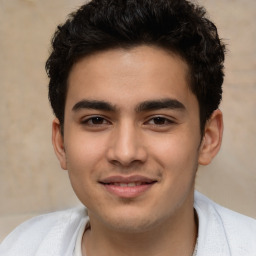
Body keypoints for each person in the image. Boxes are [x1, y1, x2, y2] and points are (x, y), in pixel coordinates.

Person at [0, 0, 255, 255]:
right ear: (61, 143)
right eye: (96, 120)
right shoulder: (20, 247)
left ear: (208, 138)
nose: (125, 153)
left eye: (158, 120)